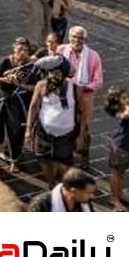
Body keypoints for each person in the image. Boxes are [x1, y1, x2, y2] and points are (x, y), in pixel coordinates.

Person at [26, 55, 86, 186]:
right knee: (46, 161)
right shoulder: (41, 86)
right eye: (51, 72)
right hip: (44, 134)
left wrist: (81, 135)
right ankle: (52, 186)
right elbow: (34, 107)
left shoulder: (76, 89)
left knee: (65, 165)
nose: (54, 76)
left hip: (66, 135)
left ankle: (64, 186)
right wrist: (28, 130)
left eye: (57, 73)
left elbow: (82, 113)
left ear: (64, 74)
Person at [0, 38, 38, 173]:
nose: (22, 52)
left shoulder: (32, 66)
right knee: (6, 128)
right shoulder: (6, 61)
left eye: (25, 50)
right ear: (14, 49)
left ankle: (15, 157)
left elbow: (35, 87)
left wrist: (19, 84)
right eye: (19, 49)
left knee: (17, 131)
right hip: (7, 100)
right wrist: (6, 79)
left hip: (22, 102)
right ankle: (8, 154)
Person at [60, 26, 102, 170]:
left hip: (84, 97)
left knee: (84, 128)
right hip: (64, 96)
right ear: (69, 37)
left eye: (80, 38)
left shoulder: (93, 56)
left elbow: (98, 81)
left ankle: (84, 157)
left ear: (85, 40)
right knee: (65, 127)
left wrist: (82, 87)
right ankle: (66, 155)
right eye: (74, 37)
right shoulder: (61, 51)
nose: (76, 40)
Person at [103, 87, 129, 211]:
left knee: (121, 173)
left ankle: (120, 193)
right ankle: (114, 198)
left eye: (127, 96)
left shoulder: (127, 108)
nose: (128, 99)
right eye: (124, 98)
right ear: (116, 103)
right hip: (120, 147)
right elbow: (127, 115)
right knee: (116, 173)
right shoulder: (120, 112)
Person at [26, 167, 96, 212]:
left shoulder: (84, 202)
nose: (92, 196)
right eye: (88, 193)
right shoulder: (41, 205)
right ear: (73, 191)